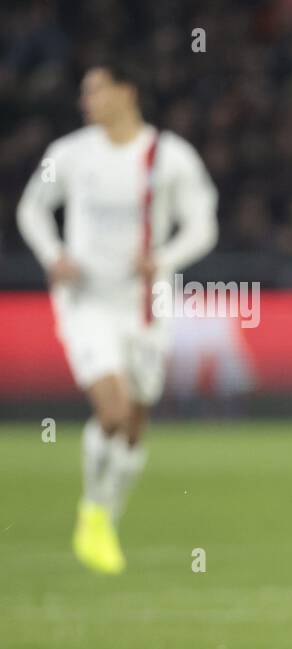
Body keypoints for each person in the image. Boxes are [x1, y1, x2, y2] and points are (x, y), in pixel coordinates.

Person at [16, 61, 219, 574]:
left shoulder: (169, 156)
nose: (87, 100)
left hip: (146, 305)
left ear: (127, 92)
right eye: (84, 91)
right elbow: (32, 210)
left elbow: (203, 224)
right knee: (112, 410)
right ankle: (92, 512)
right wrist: (53, 254)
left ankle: (105, 515)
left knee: (132, 425)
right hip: (86, 302)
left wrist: (165, 258)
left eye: (97, 89)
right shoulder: (68, 154)